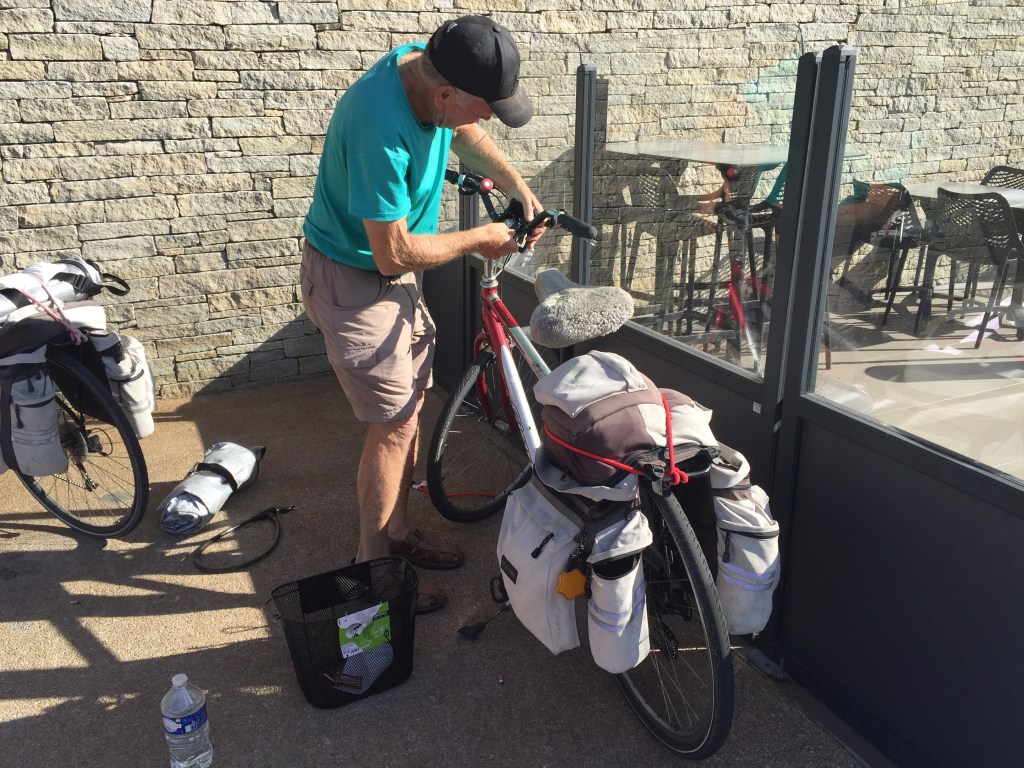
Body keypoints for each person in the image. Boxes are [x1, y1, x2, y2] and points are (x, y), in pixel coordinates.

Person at [300, 16, 545, 615]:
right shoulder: (378, 127)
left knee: (409, 409)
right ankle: (374, 570)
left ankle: (398, 533)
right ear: (446, 95)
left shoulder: (427, 62)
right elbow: (394, 251)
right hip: (356, 275)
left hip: (393, 273)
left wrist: (517, 185)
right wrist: (480, 238)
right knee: (392, 426)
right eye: (484, 107)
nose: (486, 119)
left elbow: (466, 132)